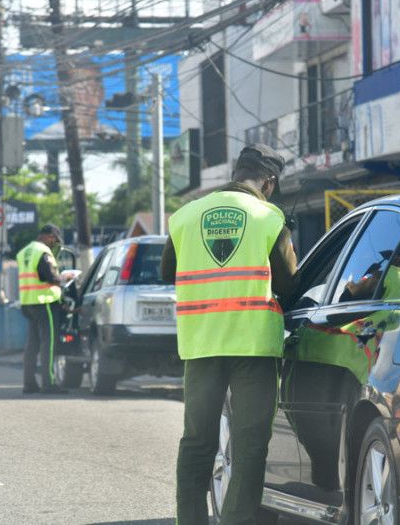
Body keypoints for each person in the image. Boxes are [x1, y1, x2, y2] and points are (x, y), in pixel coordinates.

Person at [161, 143, 297, 524]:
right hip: (253, 344)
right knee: (250, 444)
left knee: (197, 442)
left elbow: (165, 270)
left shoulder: (185, 216)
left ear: (236, 173)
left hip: (201, 343)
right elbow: (289, 286)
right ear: (268, 182)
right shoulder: (270, 218)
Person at [17, 224, 69, 395]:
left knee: (32, 345)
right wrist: (65, 278)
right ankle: (49, 384)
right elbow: (50, 277)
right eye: (54, 240)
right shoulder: (43, 252)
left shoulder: (25, 251)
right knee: (49, 343)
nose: (54, 243)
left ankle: (29, 383)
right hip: (44, 303)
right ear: (48, 236)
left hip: (28, 303)